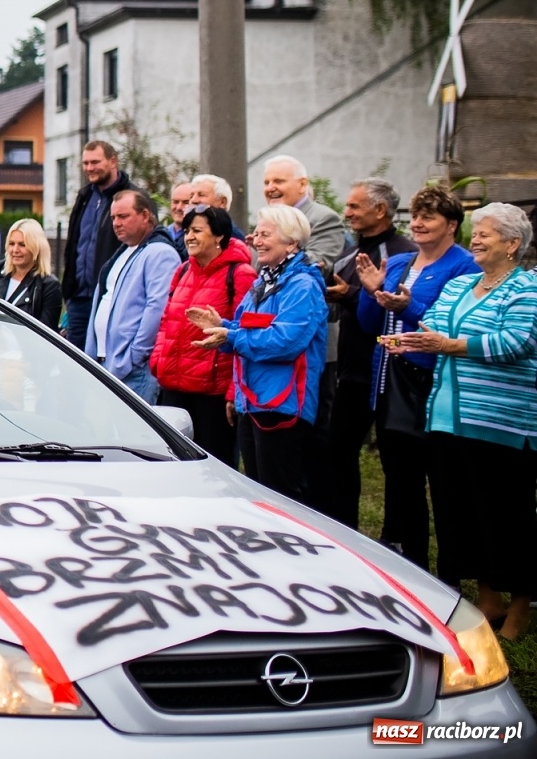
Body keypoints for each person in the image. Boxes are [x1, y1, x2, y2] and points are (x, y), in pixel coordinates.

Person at [389, 202, 537, 639]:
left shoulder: (526, 290)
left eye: (486, 233)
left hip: (501, 423)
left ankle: (522, 604)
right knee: (461, 513)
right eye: (476, 231)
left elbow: (516, 341)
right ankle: (488, 598)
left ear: (512, 244)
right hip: (447, 419)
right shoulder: (461, 285)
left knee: (507, 516)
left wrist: (450, 344)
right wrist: (413, 339)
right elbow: (432, 321)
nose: (476, 238)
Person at [355, 185, 475, 570]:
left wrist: (408, 306)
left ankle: (451, 571)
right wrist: (372, 292)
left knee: (443, 486)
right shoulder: (403, 261)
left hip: (432, 385)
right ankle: (413, 565)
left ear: (452, 224)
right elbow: (369, 324)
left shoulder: (463, 266)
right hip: (391, 383)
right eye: (416, 217)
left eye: (429, 217)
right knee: (400, 481)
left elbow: (446, 325)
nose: (419, 224)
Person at [192, 204, 326, 503]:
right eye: (256, 233)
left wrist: (232, 335)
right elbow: (246, 330)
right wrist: (220, 327)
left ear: (292, 243)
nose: (256, 239)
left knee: (281, 495)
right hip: (251, 402)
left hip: (282, 404)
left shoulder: (302, 286)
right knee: (257, 493)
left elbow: (285, 341)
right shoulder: (263, 282)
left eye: (265, 234)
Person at [313, 178, 417, 527]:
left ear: (381, 210)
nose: (347, 212)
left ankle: (397, 538)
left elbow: (389, 310)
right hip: (351, 370)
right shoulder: (351, 250)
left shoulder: (401, 253)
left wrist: (353, 296)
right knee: (336, 451)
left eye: (355, 207)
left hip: (388, 373)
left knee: (396, 464)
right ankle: (344, 529)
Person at [148, 206, 255, 462]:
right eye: (187, 231)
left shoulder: (240, 274)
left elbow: (244, 333)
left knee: (214, 463)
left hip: (212, 394)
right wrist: (158, 362)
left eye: (197, 230)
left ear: (219, 236)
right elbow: (167, 321)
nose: (189, 237)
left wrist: (233, 391)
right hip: (174, 385)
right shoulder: (183, 270)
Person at [82, 189, 180, 402]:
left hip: (132, 369)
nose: (116, 223)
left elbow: (157, 307)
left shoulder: (160, 253)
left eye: (123, 216)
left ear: (145, 216)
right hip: (109, 363)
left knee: (135, 434)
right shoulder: (125, 251)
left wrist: (134, 356)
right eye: (113, 217)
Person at [62, 141, 134, 352]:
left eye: (95, 162)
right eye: (85, 163)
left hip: (108, 297)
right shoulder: (84, 197)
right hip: (78, 297)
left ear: (113, 161)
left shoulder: (131, 199)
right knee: (73, 358)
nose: (89, 168)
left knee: (102, 358)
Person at [261, 155, 344, 274]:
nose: (270, 188)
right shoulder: (266, 221)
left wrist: (273, 250)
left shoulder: (324, 219)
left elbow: (317, 265)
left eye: (279, 181)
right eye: (266, 182)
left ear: (302, 185)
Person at [0, 218, 63, 328]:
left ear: (36, 247)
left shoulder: (48, 286)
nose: (15, 250)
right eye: (12, 244)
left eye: (22, 244)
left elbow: (46, 334)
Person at [189, 173, 247, 241]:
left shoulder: (232, 236)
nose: (193, 200)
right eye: (191, 196)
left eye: (201, 195)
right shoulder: (187, 230)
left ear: (222, 202)